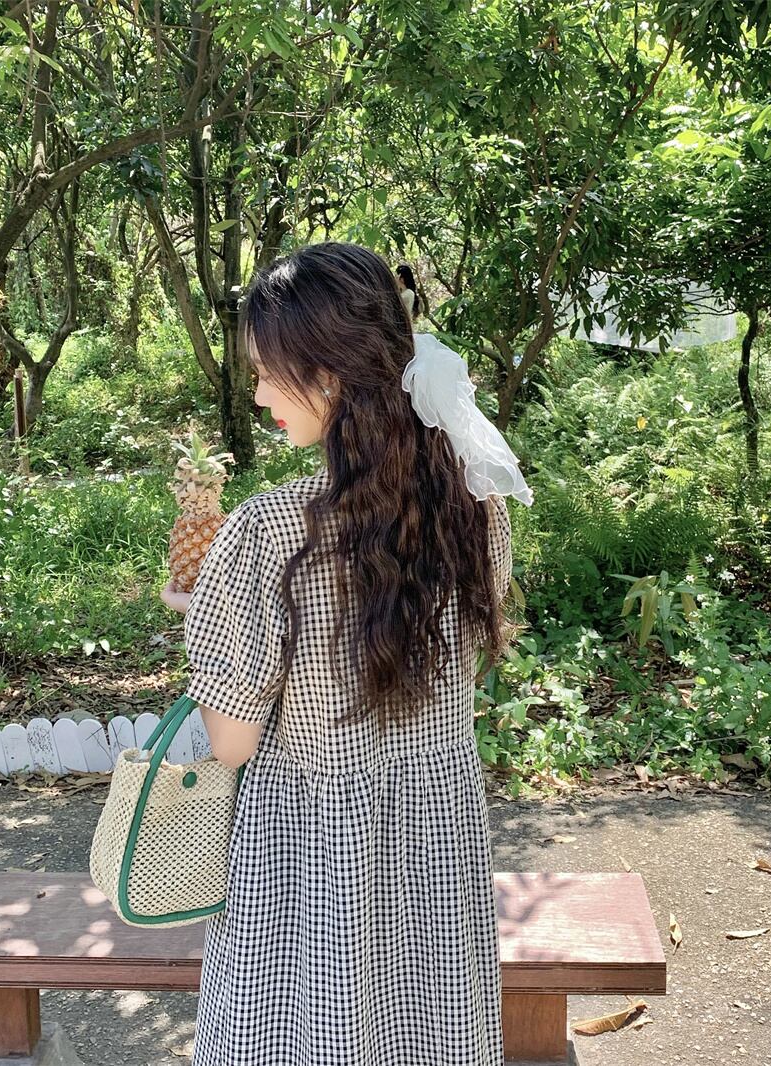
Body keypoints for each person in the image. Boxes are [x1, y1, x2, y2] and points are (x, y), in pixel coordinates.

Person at [160, 242, 533, 1066]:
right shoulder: (480, 513)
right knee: (430, 1038)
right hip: (436, 856)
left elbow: (232, 744)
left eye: (267, 373)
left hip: (308, 866)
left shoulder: (266, 532)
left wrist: (202, 615)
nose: (259, 395)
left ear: (328, 374)